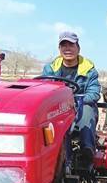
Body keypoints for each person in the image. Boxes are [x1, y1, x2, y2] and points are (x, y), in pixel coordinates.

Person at [42, 31, 100, 166]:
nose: (67, 49)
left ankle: (87, 151)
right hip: (58, 109)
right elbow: (44, 89)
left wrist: (74, 100)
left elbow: (94, 93)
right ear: (59, 49)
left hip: (80, 107)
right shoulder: (50, 69)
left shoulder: (89, 70)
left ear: (78, 48)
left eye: (71, 45)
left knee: (87, 111)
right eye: (64, 45)